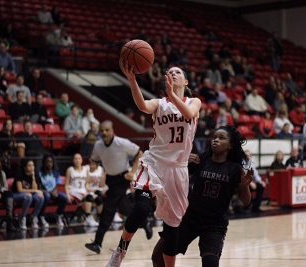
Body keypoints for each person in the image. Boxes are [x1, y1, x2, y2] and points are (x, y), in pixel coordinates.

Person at [104, 61, 201, 267]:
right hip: (154, 163)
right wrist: (132, 79)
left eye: (177, 72)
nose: (173, 73)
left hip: (177, 170)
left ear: (185, 80)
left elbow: (189, 114)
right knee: (141, 208)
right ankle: (120, 252)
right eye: (170, 72)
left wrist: (174, 96)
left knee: (172, 227)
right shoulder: (160, 103)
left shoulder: (194, 101)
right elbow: (142, 105)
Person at [152, 126, 253, 267]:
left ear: (230, 145)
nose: (216, 140)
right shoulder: (201, 159)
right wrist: (183, 163)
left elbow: (246, 202)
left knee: (210, 263)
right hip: (189, 218)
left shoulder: (235, 169)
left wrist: (244, 186)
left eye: (221, 138)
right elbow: (175, 176)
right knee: (158, 256)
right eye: (214, 137)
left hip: (214, 224)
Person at [84, 120, 146, 254]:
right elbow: (94, 160)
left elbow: (140, 153)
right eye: (102, 131)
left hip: (123, 177)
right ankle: (144, 221)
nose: (104, 133)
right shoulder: (98, 145)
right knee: (124, 208)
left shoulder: (122, 143)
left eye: (107, 130)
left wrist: (132, 172)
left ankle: (97, 243)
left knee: (108, 209)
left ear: (112, 131)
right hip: (111, 179)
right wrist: (97, 170)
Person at [65, 153, 99, 227]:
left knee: (98, 198)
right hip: (74, 192)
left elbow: (86, 185)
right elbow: (66, 184)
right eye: (75, 158)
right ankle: (88, 218)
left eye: (79, 158)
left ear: (82, 160)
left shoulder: (85, 169)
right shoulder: (70, 170)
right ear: (73, 160)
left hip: (83, 191)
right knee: (89, 197)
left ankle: (100, 218)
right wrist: (67, 195)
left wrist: (91, 190)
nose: (77, 160)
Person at [12, 159, 46, 230]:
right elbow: (20, 190)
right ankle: (22, 218)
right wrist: (35, 191)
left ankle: (33, 217)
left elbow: (35, 189)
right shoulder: (19, 174)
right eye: (29, 165)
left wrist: (33, 177)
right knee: (28, 197)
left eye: (33, 165)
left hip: (29, 194)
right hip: (16, 194)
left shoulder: (35, 174)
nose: (32, 167)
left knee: (41, 197)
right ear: (25, 167)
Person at [37, 154, 67, 227]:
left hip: (53, 192)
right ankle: (41, 216)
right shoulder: (39, 173)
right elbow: (39, 187)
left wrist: (54, 191)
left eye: (51, 162)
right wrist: (50, 192)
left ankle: (59, 215)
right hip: (44, 192)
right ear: (44, 163)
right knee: (47, 196)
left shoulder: (55, 173)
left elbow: (57, 184)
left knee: (64, 197)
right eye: (47, 162)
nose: (49, 164)